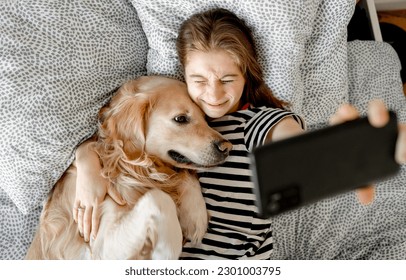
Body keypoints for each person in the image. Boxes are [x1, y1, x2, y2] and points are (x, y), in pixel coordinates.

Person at [73, 8, 406, 258]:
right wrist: (86, 158)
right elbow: (122, 138)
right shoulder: (174, 115)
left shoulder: (255, 122)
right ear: (183, 77)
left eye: (228, 79)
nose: (214, 94)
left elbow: (291, 142)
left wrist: (348, 148)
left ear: (246, 77)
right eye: (199, 80)